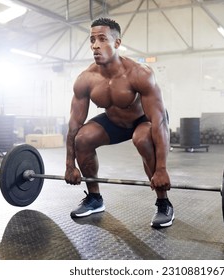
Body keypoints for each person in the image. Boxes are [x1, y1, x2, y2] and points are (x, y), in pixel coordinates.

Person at [64, 17, 174, 228]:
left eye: (102, 39)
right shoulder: (86, 79)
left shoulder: (139, 74)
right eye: (92, 40)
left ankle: (163, 203)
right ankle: (95, 199)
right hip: (114, 123)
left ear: (117, 43)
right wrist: (70, 165)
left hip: (143, 121)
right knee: (83, 138)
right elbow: (73, 125)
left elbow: (159, 121)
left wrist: (161, 168)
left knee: (141, 139)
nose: (95, 45)